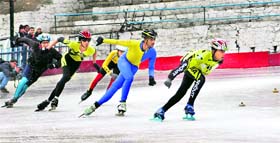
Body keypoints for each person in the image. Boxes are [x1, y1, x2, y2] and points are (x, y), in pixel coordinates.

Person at [80, 29, 157, 117]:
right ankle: (122, 103)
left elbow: (151, 66)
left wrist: (151, 77)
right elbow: (118, 41)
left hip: (133, 67)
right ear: (145, 39)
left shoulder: (152, 52)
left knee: (114, 88)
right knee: (129, 78)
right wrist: (103, 40)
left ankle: (94, 106)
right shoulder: (135, 44)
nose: (153, 42)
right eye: (151, 39)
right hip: (124, 61)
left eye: (154, 39)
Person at [152, 38, 228, 121]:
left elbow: (205, 70)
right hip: (189, 65)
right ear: (214, 50)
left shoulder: (219, 61)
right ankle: (189, 105)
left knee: (180, 93)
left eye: (224, 51)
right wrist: (170, 78)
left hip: (196, 70)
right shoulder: (202, 56)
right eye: (221, 51)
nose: (223, 54)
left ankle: (161, 110)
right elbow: (183, 65)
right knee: (201, 79)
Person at [35, 30, 98, 111]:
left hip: (76, 64)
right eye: (84, 40)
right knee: (65, 77)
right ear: (80, 40)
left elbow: (95, 51)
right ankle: (56, 98)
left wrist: (94, 62)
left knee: (63, 81)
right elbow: (60, 39)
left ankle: (48, 101)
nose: (87, 42)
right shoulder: (73, 44)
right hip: (67, 59)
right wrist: (48, 48)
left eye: (88, 40)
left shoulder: (90, 49)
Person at [3, 34, 62, 108]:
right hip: (30, 66)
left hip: (38, 71)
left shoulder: (52, 51)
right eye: (43, 42)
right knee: (22, 82)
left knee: (25, 86)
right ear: (40, 43)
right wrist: (17, 40)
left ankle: (15, 99)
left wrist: (54, 65)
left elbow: (61, 59)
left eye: (47, 42)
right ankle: (13, 98)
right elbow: (26, 40)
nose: (45, 44)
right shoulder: (35, 45)